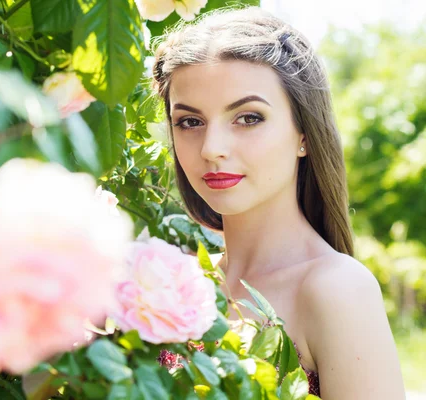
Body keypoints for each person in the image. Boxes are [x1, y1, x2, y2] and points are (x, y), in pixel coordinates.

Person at [151, 5, 405, 399]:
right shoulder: (176, 284)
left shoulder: (336, 289)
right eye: (190, 121)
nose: (212, 148)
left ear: (304, 132)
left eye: (248, 118)